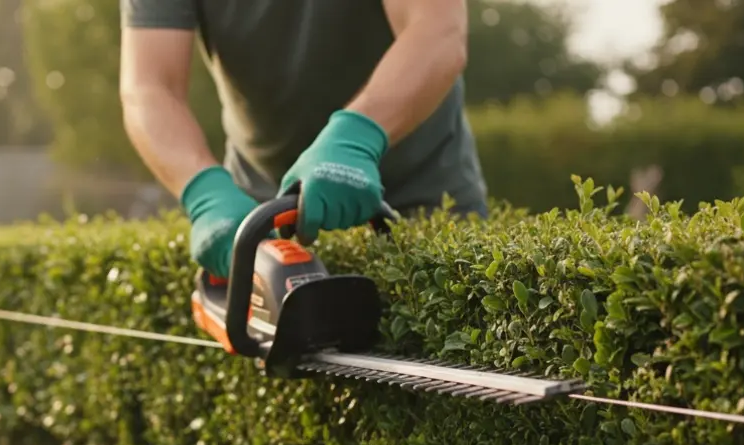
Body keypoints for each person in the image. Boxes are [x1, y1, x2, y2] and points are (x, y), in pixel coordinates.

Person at [119, 0, 488, 281]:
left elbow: (437, 31)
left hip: (424, 195)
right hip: (260, 212)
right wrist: (206, 193)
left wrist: (355, 138)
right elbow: (150, 86)